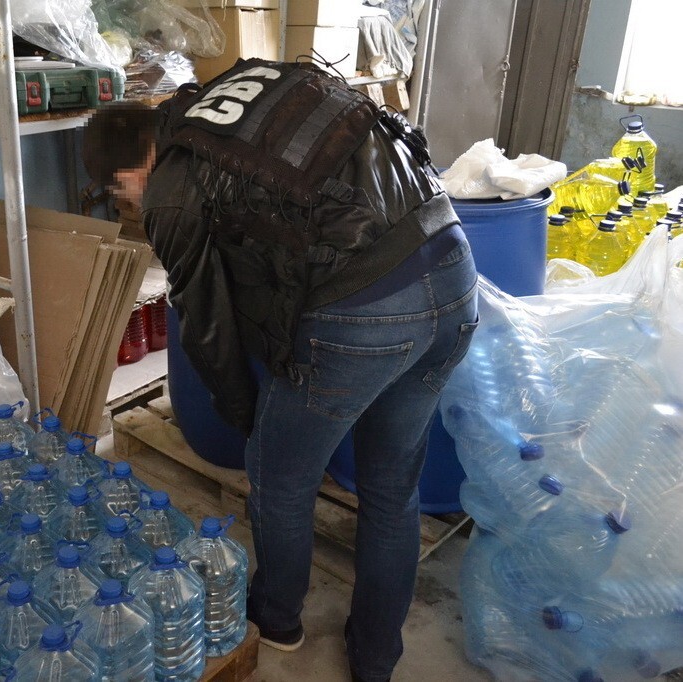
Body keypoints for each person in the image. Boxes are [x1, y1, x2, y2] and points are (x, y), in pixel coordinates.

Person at [82, 58, 478, 682]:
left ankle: (277, 620)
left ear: (129, 173)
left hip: (367, 305)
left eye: (121, 194)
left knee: (281, 479)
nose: (131, 203)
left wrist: (253, 426)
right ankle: (375, 659)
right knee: (390, 489)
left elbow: (207, 328)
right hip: (453, 271)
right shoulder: (232, 96)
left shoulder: (171, 182)